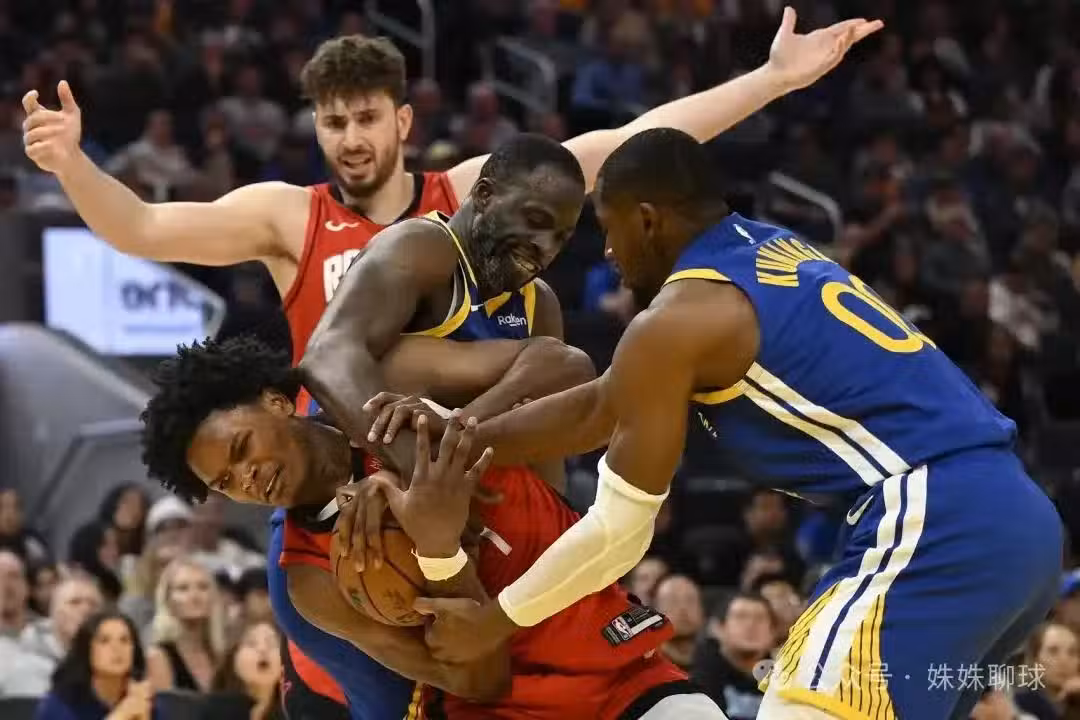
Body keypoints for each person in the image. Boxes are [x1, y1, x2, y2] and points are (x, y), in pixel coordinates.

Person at [24, 12, 880, 713]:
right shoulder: (289, 217)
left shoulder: (471, 197)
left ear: (402, 121)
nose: (351, 138)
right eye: (333, 122)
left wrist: (771, 81)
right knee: (405, 688)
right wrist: (71, 164)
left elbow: (625, 145)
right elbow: (144, 228)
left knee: (525, 632)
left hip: (465, 454)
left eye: (366, 118)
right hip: (338, 481)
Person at [392, 128, 1063, 720]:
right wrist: (463, 437)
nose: (608, 255)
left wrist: (495, 620)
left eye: (609, 228)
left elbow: (620, 534)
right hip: (1021, 527)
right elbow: (603, 406)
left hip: (935, 520)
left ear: (647, 219)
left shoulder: (679, 318)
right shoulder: (772, 252)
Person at [139, 332, 727, 718]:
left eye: (241, 448)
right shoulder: (310, 578)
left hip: (616, 663)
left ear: (274, 401)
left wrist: (456, 430)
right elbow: (480, 684)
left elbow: (565, 366)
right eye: (225, 482)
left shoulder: (387, 386)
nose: (246, 478)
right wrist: (436, 547)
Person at [34, 610, 156, 720]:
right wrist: (123, 713)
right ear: (86, 650)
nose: (117, 648)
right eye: (104, 641)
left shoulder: (143, 699)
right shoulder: (60, 704)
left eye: (124, 640)